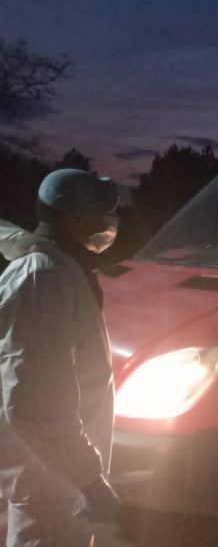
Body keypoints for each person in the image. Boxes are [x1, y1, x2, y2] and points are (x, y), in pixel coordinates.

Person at [0, 169, 122, 547]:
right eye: (99, 215)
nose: (107, 225)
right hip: (51, 480)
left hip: (55, 471)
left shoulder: (58, 267)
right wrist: (89, 479)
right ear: (71, 220)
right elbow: (36, 405)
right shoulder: (45, 279)